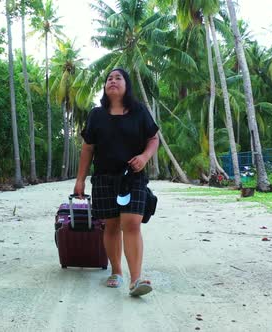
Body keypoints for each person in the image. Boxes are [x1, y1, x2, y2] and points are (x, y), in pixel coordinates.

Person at [73, 68, 160, 297]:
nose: (112, 81)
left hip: (133, 177)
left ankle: (136, 279)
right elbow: (88, 148)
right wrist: (80, 179)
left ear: (126, 85)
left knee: (131, 224)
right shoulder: (96, 115)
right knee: (111, 226)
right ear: (105, 86)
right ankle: (116, 271)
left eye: (118, 78)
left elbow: (153, 138)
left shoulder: (139, 111)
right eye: (109, 79)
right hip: (103, 178)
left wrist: (144, 157)